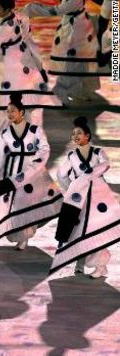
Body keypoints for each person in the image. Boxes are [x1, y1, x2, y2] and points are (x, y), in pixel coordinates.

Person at [0, 93, 62, 249]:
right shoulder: (5, 134)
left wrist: (35, 167)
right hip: (12, 174)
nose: (10, 114)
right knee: (12, 206)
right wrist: (1, 177)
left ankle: (24, 238)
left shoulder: (35, 131)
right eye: (7, 111)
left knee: (26, 204)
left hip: (33, 175)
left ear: (22, 112)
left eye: (13, 111)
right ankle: (17, 235)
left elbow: (44, 150)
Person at [0, 0, 62, 127]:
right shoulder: (18, 17)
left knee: (11, 98)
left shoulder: (5, 27)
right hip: (21, 57)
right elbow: (25, 30)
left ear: (7, 10)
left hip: (11, 65)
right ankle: (19, 128)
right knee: (21, 98)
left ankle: (12, 129)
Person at [51, 117, 120, 278]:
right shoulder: (72, 156)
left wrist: (85, 177)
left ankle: (100, 266)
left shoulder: (98, 152)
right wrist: (72, 189)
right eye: (73, 134)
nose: (75, 136)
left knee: (96, 229)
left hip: (98, 196)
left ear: (87, 136)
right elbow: (61, 174)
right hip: (80, 198)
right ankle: (80, 263)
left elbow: (105, 164)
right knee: (79, 229)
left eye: (79, 133)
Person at [22, 0, 101, 104]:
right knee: (76, 63)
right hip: (75, 28)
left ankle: (62, 91)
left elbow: (57, 10)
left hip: (77, 32)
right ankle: (76, 90)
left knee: (72, 63)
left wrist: (33, 8)